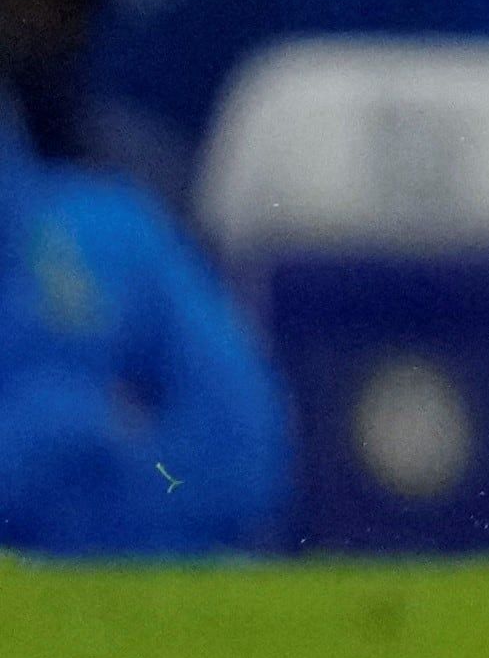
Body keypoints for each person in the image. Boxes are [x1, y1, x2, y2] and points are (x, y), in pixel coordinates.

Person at [0, 95, 290, 556]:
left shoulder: (114, 238)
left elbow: (243, 451)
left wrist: (113, 470)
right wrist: (71, 428)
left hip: (141, 575)